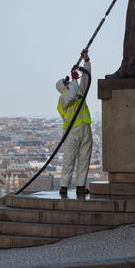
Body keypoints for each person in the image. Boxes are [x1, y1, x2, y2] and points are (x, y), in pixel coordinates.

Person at [56, 51, 93, 196]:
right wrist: (73, 80)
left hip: (85, 128)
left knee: (84, 158)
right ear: (63, 87)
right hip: (71, 132)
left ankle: (80, 185)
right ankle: (64, 186)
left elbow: (86, 81)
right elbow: (72, 95)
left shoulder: (78, 92)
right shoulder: (63, 99)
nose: (69, 83)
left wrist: (86, 62)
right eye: (67, 82)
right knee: (69, 159)